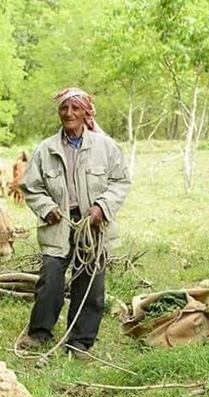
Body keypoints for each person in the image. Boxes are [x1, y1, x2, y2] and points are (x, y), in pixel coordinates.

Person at [18, 87, 131, 358]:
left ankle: (81, 341)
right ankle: (40, 333)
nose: (69, 113)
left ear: (85, 113)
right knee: (51, 279)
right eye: (64, 109)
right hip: (58, 222)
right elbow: (30, 187)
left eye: (75, 109)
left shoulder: (106, 147)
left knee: (91, 281)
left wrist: (101, 208)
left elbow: (120, 182)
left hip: (93, 225)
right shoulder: (45, 149)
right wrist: (47, 208)